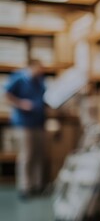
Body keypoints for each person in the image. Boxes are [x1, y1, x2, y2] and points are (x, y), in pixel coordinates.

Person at [5, 59, 46, 199]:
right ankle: (25, 187)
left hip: (39, 122)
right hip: (24, 123)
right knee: (26, 155)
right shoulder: (18, 78)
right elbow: (6, 95)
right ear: (31, 66)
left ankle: (37, 185)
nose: (41, 71)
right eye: (39, 68)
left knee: (38, 155)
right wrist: (21, 103)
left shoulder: (39, 81)